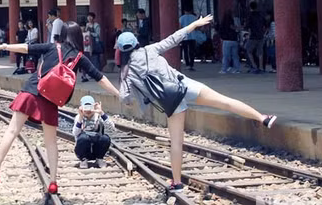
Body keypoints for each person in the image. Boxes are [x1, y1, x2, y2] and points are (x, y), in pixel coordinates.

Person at [116, 15, 277, 192]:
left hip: (171, 103)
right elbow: (174, 38)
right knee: (225, 102)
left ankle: (177, 183)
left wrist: (132, 100)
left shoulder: (126, 72)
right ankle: (263, 118)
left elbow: (125, 98)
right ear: (136, 43)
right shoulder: (149, 50)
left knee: (176, 142)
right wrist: (194, 24)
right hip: (183, 85)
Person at [0, 22, 121, 195]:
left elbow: (27, 48)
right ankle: (53, 182)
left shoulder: (51, 47)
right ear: (78, 36)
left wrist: (3, 46)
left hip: (31, 92)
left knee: (12, 131)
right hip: (50, 100)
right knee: (50, 143)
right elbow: (100, 78)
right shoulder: (80, 57)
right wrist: (118, 93)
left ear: (62, 34)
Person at [73, 95, 115, 169]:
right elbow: (75, 134)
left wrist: (102, 113)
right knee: (83, 138)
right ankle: (83, 159)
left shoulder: (98, 116)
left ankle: (99, 158)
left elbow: (112, 129)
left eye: (90, 107)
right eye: (85, 107)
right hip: (83, 149)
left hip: (97, 148)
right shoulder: (78, 117)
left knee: (105, 138)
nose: (88, 110)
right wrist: (80, 117)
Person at [245, 2, 265, 73]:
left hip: (253, 36)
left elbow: (247, 26)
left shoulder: (250, 16)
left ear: (250, 7)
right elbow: (264, 24)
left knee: (249, 50)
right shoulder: (261, 15)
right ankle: (261, 67)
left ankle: (254, 66)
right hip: (261, 36)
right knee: (260, 52)